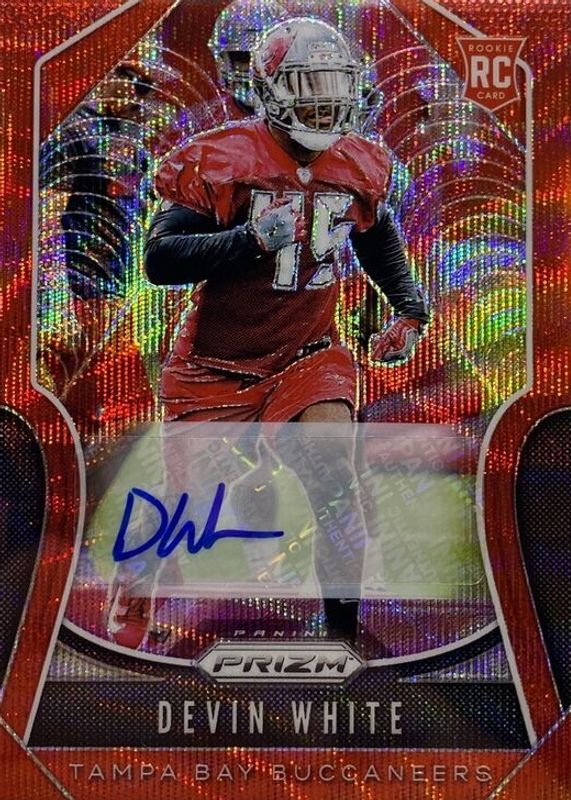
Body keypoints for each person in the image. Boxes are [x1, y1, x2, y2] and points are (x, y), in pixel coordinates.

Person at [110, 18, 428, 649]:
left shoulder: (358, 162)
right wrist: (248, 240)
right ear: (269, 90)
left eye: (333, 85)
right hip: (215, 365)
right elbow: (160, 259)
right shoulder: (222, 156)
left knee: (334, 475)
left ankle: (342, 635)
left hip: (308, 355)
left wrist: (409, 308)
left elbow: (375, 234)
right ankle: (134, 595)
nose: (324, 103)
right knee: (190, 503)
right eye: (309, 86)